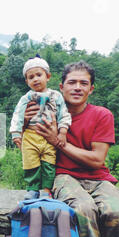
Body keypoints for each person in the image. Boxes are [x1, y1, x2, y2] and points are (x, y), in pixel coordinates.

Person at [27, 60, 119, 237]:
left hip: (98, 178)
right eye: (72, 82)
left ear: (91, 89)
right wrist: (27, 122)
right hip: (63, 175)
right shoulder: (48, 112)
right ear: (61, 86)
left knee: (117, 212)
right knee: (83, 208)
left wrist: (58, 141)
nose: (77, 87)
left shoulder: (102, 115)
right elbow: (30, 145)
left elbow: (97, 160)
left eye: (83, 83)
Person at [10, 55, 71, 199]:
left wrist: (62, 133)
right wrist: (16, 134)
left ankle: (46, 190)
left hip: (49, 137)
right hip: (30, 135)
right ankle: (32, 189)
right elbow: (18, 114)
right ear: (27, 81)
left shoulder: (56, 96)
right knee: (31, 163)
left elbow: (63, 115)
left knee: (49, 163)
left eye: (39, 75)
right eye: (31, 77)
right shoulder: (26, 98)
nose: (35, 79)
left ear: (48, 76)